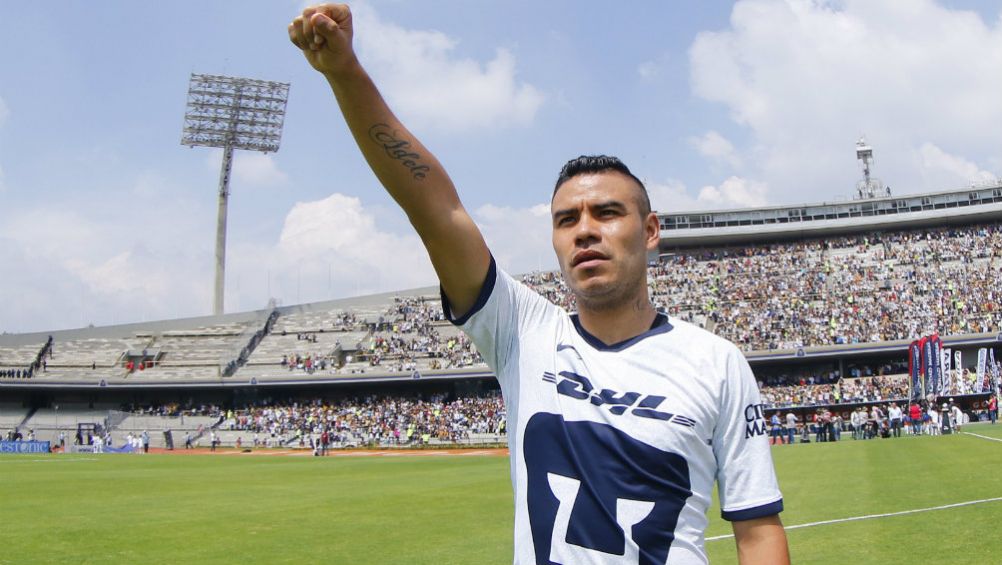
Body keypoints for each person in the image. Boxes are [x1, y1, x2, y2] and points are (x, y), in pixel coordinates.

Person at [289, 5, 790, 563]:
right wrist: (346, 72)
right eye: (566, 220)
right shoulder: (522, 333)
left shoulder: (716, 363)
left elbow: (758, 530)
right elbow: (433, 206)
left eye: (606, 213)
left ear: (649, 231)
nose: (585, 232)